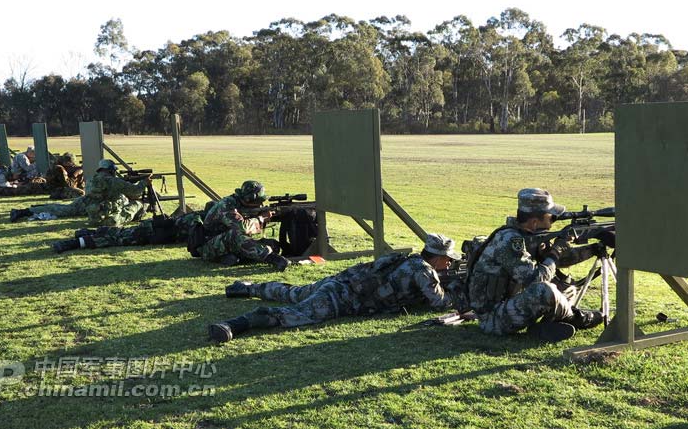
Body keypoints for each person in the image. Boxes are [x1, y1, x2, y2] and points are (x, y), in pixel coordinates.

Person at [208, 234, 460, 342]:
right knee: (296, 314)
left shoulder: (407, 259)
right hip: (342, 299)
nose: (448, 263)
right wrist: (459, 291)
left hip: (339, 282)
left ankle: (248, 288)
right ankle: (236, 324)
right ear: (437, 257)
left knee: (293, 292)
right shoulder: (424, 271)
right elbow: (440, 302)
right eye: (447, 259)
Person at [466, 188, 603, 342]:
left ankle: (545, 326)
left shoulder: (527, 237)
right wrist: (556, 250)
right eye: (550, 218)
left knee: (568, 287)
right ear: (534, 222)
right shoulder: (509, 241)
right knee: (545, 289)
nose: (552, 222)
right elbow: (535, 279)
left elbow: (559, 261)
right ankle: (576, 318)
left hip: (509, 305)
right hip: (493, 319)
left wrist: (595, 248)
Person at [9, 159, 147, 224]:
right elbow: (136, 191)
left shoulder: (93, 178)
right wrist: (144, 182)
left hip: (86, 203)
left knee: (60, 209)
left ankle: (25, 211)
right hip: (103, 207)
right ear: (112, 170)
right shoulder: (114, 181)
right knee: (129, 203)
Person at [194, 180, 290, 271]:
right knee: (236, 234)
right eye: (258, 201)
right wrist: (261, 219)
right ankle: (272, 258)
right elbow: (241, 227)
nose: (261, 204)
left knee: (273, 245)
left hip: (226, 244)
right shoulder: (227, 205)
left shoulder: (241, 204)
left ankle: (233, 258)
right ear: (249, 199)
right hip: (209, 247)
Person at [52, 205, 212, 253]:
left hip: (154, 228)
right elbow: (196, 240)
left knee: (121, 233)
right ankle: (74, 243)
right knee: (119, 239)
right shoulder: (197, 220)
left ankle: (90, 232)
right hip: (153, 232)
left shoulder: (198, 216)